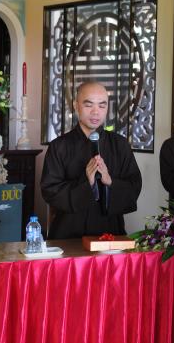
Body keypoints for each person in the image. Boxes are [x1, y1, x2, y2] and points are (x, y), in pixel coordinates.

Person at [41, 81, 142, 239]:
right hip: (68, 234)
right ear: (76, 106)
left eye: (102, 106)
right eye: (88, 105)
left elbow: (134, 187)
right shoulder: (59, 146)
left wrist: (110, 181)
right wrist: (86, 182)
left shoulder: (120, 145)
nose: (96, 112)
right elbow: (50, 191)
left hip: (110, 233)